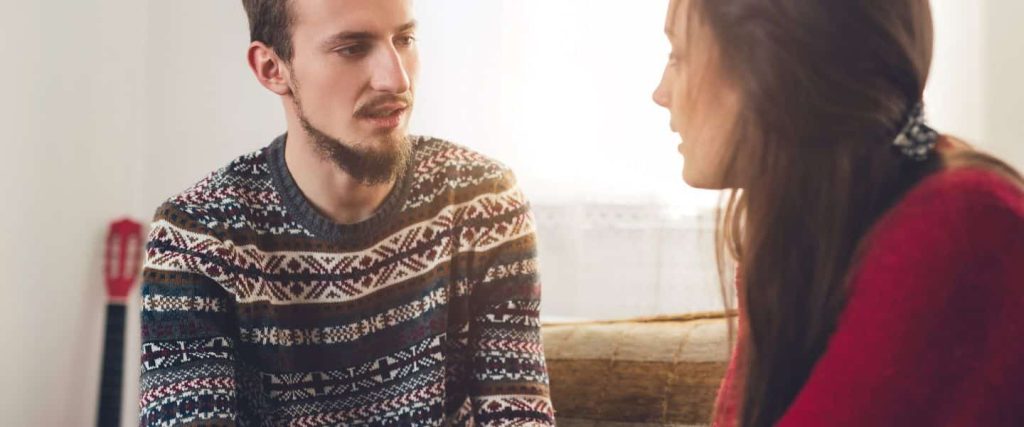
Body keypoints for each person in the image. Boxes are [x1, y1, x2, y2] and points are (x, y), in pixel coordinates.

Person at [138, 0, 554, 425]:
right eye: (353, 48)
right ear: (271, 68)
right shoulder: (197, 237)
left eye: (405, 39)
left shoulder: (483, 202)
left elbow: (518, 411)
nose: (397, 78)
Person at [652, 0, 1024, 425]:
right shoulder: (799, 228)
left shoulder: (962, 223)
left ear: (770, 67)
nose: (660, 93)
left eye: (678, 56)